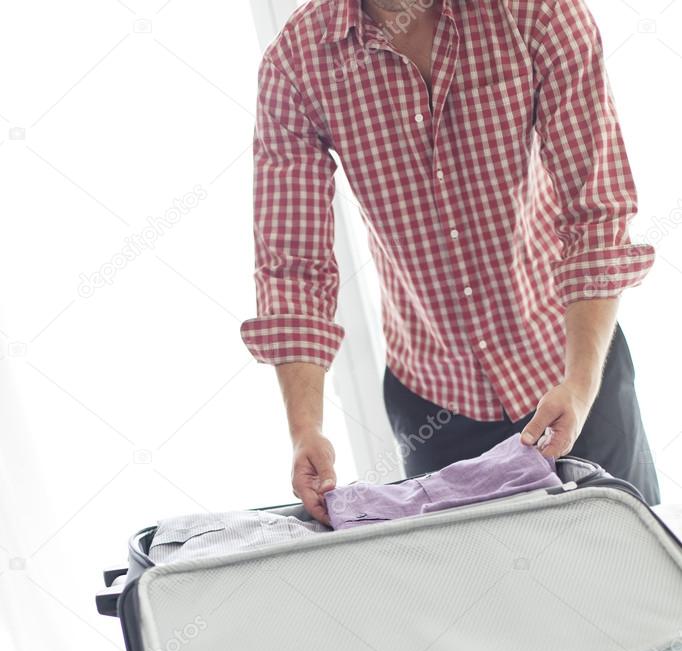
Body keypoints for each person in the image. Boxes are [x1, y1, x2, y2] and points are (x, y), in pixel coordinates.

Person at [241, 0, 660, 523]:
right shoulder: (296, 64)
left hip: (572, 370)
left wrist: (579, 383)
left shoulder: (537, 11)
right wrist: (306, 428)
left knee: (633, 582)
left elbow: (595, 212)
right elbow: (293, 267)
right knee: (477, 597)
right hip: (434, 400)